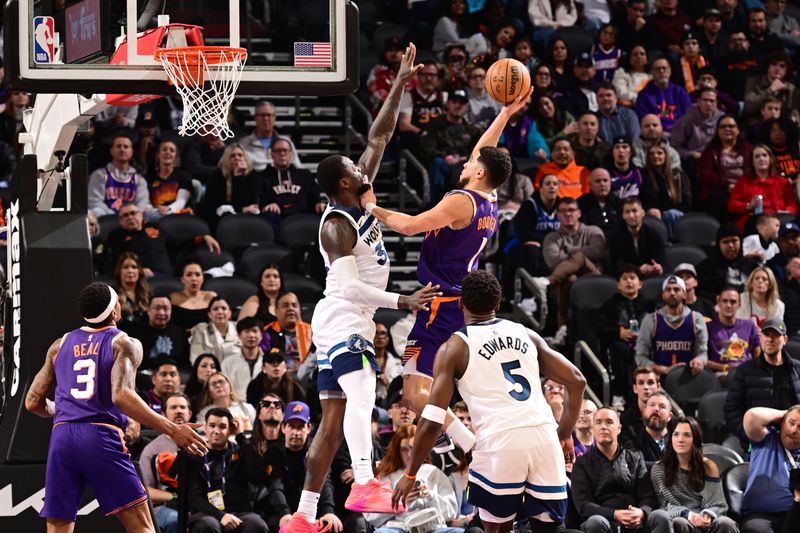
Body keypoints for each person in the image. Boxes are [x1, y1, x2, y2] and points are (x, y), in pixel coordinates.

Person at [280, 44, 440, 532]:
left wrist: (399, 83)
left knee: (331, 425)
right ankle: (366, 482)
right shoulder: (336, 227)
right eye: (354, 167)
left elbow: (381, 133)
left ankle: (304, 516)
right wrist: (402, 301)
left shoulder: (355, 193)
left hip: (349, 317)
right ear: (344, 184)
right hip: (344, 316)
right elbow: (350, 290)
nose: (361, 165)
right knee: (363, 391)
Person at [357, 87, 527, 452]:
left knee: (413, 392)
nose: (464, 163)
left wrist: (371, 207)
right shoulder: (490, 196)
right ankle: (460, 438)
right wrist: (505, 114)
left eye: (470, 164)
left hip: (441, 302)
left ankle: (468, 443)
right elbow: (484, 151)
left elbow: (409, 226)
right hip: (457, 299)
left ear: (479, 172)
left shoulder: (460, 201)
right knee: (429, 384)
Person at [392, 271, 587, 533]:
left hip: (499, 443)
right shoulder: (526, 333)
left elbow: (431, 419)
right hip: (544, 437)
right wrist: (563, 434)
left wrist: (410, 473)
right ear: (498, 304)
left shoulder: (454, 348)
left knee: (497, 529)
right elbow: (577, 381)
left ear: (460, 303)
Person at [24, 282, 207, 533]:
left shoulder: (60, 345)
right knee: (141, 525)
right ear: (114, 311)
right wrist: (172, 429)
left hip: (62, 436)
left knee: (58, 525)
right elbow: (121, 395)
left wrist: (67, 409)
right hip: (100, 436)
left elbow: (32, 402)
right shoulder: (123, 342)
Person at [572, 406, 672, 533]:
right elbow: (584, 505)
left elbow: (648, 496)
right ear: (593, 429)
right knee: (595, 522)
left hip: (636, 519)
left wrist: (641, 512)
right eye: (598, 422)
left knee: (661, 517)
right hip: (604, 520)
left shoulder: (635, 459)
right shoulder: (582, 463)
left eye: (609, 422)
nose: (603, 426)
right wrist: (615, 514)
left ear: (619, 429)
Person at [531, 197, 606, 343]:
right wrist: (578, 259)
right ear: (558, 215)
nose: (568, 214)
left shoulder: (593, 231)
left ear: (579, 213)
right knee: (570, 278)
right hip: (565, 281)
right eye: (563, 211)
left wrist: (571, 254)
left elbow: (597, 251)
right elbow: (552, 261)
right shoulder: (552, 237)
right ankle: (563, 329)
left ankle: (547, 281)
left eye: (571, 210)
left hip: (592, 277)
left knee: (579, 257)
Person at [650, 416, 739, 533]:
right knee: (679, 523)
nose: (680, 439)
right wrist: (688, 515)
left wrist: (708, 515)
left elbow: (718, 503)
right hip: (680, 517)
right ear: (671, 438)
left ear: (695, 440)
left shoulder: (708, 466)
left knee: (726, 523)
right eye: (676, 434)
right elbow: (664, 506)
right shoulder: (659, 469)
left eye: (687, 435)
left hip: (706, 517)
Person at [186, 408, 269, 533]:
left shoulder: (240, 452)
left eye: (222, 426)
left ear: (230, 430)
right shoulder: (196, 456)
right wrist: (221, 515)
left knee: (257, 525)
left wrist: (241, 436)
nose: (216, 431)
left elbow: (257, 476)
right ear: (205, 429)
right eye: (212, 426)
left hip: (239, 514)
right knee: (208, 525)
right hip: (207, 514)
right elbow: (194, 497)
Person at [368, 425, 463, 533]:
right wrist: (399, 503)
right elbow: (371, 516)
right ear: (396, 451)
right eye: (404, 450)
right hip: (398, 527)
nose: (409, 455)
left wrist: (430, 496)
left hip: (433, 526)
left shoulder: (433, 472)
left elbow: (452, 512)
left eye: (413, 449)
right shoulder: (386, 476)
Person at [267, 401, 342, 533]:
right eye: (291, 426)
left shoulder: (317, 451)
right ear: (283, 427)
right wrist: (284, 512)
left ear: (309, 428)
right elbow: (275, 486)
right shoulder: (274, 452)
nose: (296, 432)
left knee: (331, 525)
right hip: (285, 511)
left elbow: (325, 483)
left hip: (313, 512)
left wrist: (328, 511)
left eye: (301, 427)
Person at [724, 318, 800, 443]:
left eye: (775, 335)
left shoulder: (797, 368)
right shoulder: (745, 370)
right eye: (766, 334)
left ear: (785, 339)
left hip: (794, 440)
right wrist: (749, 435)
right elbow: (731, 410)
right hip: (760, 442)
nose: (770, 339)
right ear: (760, 337)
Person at [108, 202, 221, 278]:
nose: (130, 217)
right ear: (120, 221)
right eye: (125, 215)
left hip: (166, 275)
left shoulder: (154, 227)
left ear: (141, 215)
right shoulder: (116, 236)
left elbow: (177, 243)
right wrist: (139, 269)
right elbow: (117, 260)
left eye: (133, 213)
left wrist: (203, 238)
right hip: (139, 278)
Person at [598, 266, 654, 408]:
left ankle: (654, 394)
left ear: (640, 284)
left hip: (645, 344)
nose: (629, 281)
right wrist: (619, 333)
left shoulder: (650, 305)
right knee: (617, 349)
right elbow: (601, 329)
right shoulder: (609, 305)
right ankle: (619, 395)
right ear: (619, 285)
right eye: (624, 278)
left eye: (632, 278)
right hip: (621, 345)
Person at [139, 392, 194, 533]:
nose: (179, 411)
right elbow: (143, 490)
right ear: (163, 415)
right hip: (165, 507)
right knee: (175, 519)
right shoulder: (152, 449)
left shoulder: (203, 444)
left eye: (182, 407)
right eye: (173, 407)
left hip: (199, 504)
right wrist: (176, 498)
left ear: (190, 413)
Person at [740, 406, 800, 533]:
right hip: (761, 516)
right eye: (791, 423)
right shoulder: (766, 439)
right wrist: (784, 413)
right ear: (782, 422)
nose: (794, 430)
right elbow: (751, 417)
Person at [635, 275, 709, 376]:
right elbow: (640, 357)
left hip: (689, 376)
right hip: (658, 377)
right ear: (662, 295)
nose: (672, 293)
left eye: (676, 289)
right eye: (668, 290)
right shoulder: (651, 320)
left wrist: (700, 360)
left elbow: (703, 353)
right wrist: (662, 369)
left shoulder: (696, 319)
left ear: (684, 294)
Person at [727, 144, 798, 230]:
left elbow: (792, 204)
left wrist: (786, 211)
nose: (761, 159)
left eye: (764, 155)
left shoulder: (783, 182)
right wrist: (748, 206)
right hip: (753, 222)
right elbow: (732, 205)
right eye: (757, 156)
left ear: (770, 159)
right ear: (752, 162)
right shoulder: (743, 182)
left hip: (779, 221)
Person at [88, 132, 156, 221]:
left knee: (153, 213)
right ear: (111, 151)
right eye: (118, 146)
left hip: (133, 217)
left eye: (126, 147)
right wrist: (119, 216)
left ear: (131, 151)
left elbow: (142, 203)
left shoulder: (139, 179)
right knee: (96, 211)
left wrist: (131, 215)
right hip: (108, 216)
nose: (122, 149)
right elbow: (95, 202)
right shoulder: (99, 175)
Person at [259, 137, 325, 226]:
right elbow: (261, 200)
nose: (282, 154)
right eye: (278, 150)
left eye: (285, 150)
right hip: (278, 214)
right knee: (270, 213)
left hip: (304, 213)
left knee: (325, 210)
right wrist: (268, 205)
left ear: (290, 154)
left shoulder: (305, 175)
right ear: (272, 154)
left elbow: (314, 195)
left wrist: (318, 203)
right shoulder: (263, 177)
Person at [200, 144, 262, 230]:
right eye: (232, 156)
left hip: (248, 214)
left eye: (240, 155)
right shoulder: (217, 176)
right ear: (226, 159)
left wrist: (239, 178)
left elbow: (252, 201)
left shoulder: (252, 175)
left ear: (245, 158)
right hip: (223, 216)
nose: (237, 158)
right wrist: (240, 209)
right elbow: (213, 205)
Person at [120, 295, 190, 369]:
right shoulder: (134, 332)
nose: (161, 313)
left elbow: (184, 363)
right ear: (148, 310)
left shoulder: (179, 333)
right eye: (157, 308)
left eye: (166, 309)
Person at [706, 287, 762, 374]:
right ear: (718, 303)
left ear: (739, 305)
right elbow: (701, 359)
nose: (728, 305)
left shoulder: (749, 325)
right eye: (725, 301)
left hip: (746, 374)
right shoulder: (708, 328)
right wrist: (725, 367)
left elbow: (757, 355)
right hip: (719, 375)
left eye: (733, 302)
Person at [640, 139, 691, 234]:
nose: (655, 156)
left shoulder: (678, 175)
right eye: (651, 153)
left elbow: (687, 201)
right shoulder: (643, 175)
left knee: (671, 214)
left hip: (676, 214)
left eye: (659, 153)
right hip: (654, 215)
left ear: (666, 155)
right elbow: (646, 200)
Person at [609, 197, 666, 277]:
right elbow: (616, 267)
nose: (631, 216)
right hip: (627, 279)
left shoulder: (654, 236)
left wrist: (659, 268)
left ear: (642, 213)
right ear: (623, 215)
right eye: (627, 212)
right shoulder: (616, 238)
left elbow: (663, 263)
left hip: (651, 278)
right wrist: (638, 270)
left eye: (634, 211)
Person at [635, 57, 692, 134]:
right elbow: (644, 120)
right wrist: (661, 133)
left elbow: (688, 115)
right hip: (656, 135)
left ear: (670, 71)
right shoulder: (644, 95)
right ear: (652, 73)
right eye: (658, 69)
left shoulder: (680, 91)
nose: (661, 71)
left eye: (664, 68)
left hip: (681, 135)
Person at [698, 223, 758, 295]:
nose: (730, 245)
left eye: (734, 241)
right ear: (719, 245)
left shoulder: (752, 266)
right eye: (725, 242)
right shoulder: (706, 268)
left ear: (740, 242)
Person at [239, 100, 299, 171]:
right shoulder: (244, 143)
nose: (266, 118)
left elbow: (297, 168)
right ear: (255, 118)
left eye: (269, 115)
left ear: (274, 118)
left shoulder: (286, 143)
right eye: (262, 115)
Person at [261, 292, 313, 373]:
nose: (291, 308)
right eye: (285, 306)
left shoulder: (312, 331)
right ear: (276, 311)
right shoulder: (266, 333)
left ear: (299, 310)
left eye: (294, 305)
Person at [670, 88, 724, 163]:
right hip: (694, 160)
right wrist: (692, 154)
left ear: (716, 103)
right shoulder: (686, 120)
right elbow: (674, 147)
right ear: (698, 101)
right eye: (705, 100)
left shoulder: (722, 119)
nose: (708, 104)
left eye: (711, 101)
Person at [626, 390, 675, 467]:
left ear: (670, 416)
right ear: (644, 411)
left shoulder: (676, 440)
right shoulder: (633, 441)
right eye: (652, 405)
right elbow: (637, 466)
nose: (656, 409)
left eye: (662, 406)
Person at [221, 317, 266, 399]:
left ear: (261, 336)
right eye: (247, 331)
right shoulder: (227, 363)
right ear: (239, 335)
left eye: (255, 331)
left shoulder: (268, 362)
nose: (251, 335)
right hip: (237, 406)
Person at [169, 257, 218, 331]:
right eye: (189, 275)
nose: (194, 279)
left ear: (203, 278)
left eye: (198, 275)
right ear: (182, 279)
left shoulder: (211, 297)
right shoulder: (173, 299)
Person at [147, 139, 192, 216]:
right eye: (164, 150)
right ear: (158, 155)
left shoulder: (184, 176)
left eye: (172, 151)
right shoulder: (148, 178)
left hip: (177, 213)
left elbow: (181, 202)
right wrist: (155, 210)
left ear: (176, 157)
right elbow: (146, 203)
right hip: (155, 213)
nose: (168, 152)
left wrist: (169, 210)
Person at [189, 296, 241, 364]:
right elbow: (195, 358)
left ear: (230, 313)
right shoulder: (201, 330)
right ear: (209, 314)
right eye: (215, 309)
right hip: (210, 372)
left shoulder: (240, 328)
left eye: (224, 308)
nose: (220, 312)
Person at [577, 168, 623, 239]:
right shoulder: (581, 203)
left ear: (610, 183)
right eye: (598, 181)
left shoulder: (619, 203)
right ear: (590, 185)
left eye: (605, 180)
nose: (602, 184)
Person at [112, 251, 152, 325]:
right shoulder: (112, 295)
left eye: (134, 267)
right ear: (119, 271)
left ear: (139, 271)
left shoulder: (148, 294)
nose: (130, 271)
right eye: (125, 267)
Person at [612, 44, 652, 108]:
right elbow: (621, 93)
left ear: (647, 59)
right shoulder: (621, 73)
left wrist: (633, 102)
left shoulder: (652, 76)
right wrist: (641, 101)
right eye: (635, 54)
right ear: (630, 59)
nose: (639, 56)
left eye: (642, 54)